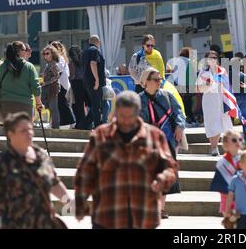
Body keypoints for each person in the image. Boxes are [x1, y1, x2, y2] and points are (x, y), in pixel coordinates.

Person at [74, 91, 178, 229]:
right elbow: (85, 171)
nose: (127, 121)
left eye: (131, 116)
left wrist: (162, 180)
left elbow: (170, 168)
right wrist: (81, 200)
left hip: (143, 216)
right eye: (123, 116)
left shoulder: (155, 136)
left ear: (139, 112)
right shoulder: (101, 136)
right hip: (108, 216)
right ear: (116, 112)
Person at [0, 112, 70, 228]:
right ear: (10, 134)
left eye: (30, 129)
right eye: (23, 131)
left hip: (42, 223)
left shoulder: (40, 157)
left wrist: (70, 203)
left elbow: (53, 183)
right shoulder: (3, 161)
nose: (29, 133)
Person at [139, 67, 185, 219]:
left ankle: (160, 209)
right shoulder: (138, 100)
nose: (159, 82)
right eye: (156, 79)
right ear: (145, 82)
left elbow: (179, 113)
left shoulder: (167, 96)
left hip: (167, 141)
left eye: (160, 79)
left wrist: (179, 126)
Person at [196, 51, 234, 156]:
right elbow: (198, 88)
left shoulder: (222, 70)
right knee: (211, 123)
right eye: (210, 57)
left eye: (214, 57)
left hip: (221, 100)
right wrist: (207, 85)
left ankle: (215, 147)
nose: (213, 59)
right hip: (209, 100)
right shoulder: (203, 72)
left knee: (221, 123)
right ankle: (213, 146)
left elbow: (228, 86)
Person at [0, 41, 42, 118]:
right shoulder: (29, 66)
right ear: (20, 52)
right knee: (24, 129)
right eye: (25, 50)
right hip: (24, 104)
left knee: (9, 129)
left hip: (6, 104)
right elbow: (36, 86)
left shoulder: (2, 66)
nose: (26, 52)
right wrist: (38, 104)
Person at [209, 130, 242, 217]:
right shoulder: (222, 162)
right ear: (226, 144)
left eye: (240, 139)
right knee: (229, 222)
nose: (238, 142)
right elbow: (220, 182)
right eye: (234, 140)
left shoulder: (244, 158)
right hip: (226, 197)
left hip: (242, 198)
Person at [82, 35, 106, 129]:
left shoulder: (85, 51)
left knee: (95, 105)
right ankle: (97, 127)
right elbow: (93, 63)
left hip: (87, 82)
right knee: (96, 106)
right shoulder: (94, 50)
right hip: (93, 82)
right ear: (98, 42)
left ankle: (83, 125)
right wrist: (97, 79)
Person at [51, 41, 75, 127]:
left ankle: (72, 122)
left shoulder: (60, 58)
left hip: (62, 85)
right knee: (60, 104)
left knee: (62, 104)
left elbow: (59, 69)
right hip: (61, 84)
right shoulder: (60, 58)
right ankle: (69, 122)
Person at [41, 45, 61, 129]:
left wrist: (46, 82)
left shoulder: (53, 64)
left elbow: (56, 76)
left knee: (53, 107)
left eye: (47, 53)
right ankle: (53, 124)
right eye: (44, 54)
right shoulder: (48, 64)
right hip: (49, 88)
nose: (45, 55)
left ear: (52, 54)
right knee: (50, 107)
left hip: (52, 88)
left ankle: (55, 126)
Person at [68, 46, 86, 130]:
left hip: (75, 83)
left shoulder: (72, 62)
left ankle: (80, 123)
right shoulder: (83, 60)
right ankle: (82, 123)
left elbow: (72, 76)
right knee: (81, 105)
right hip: (83, 83)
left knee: (76, 104)